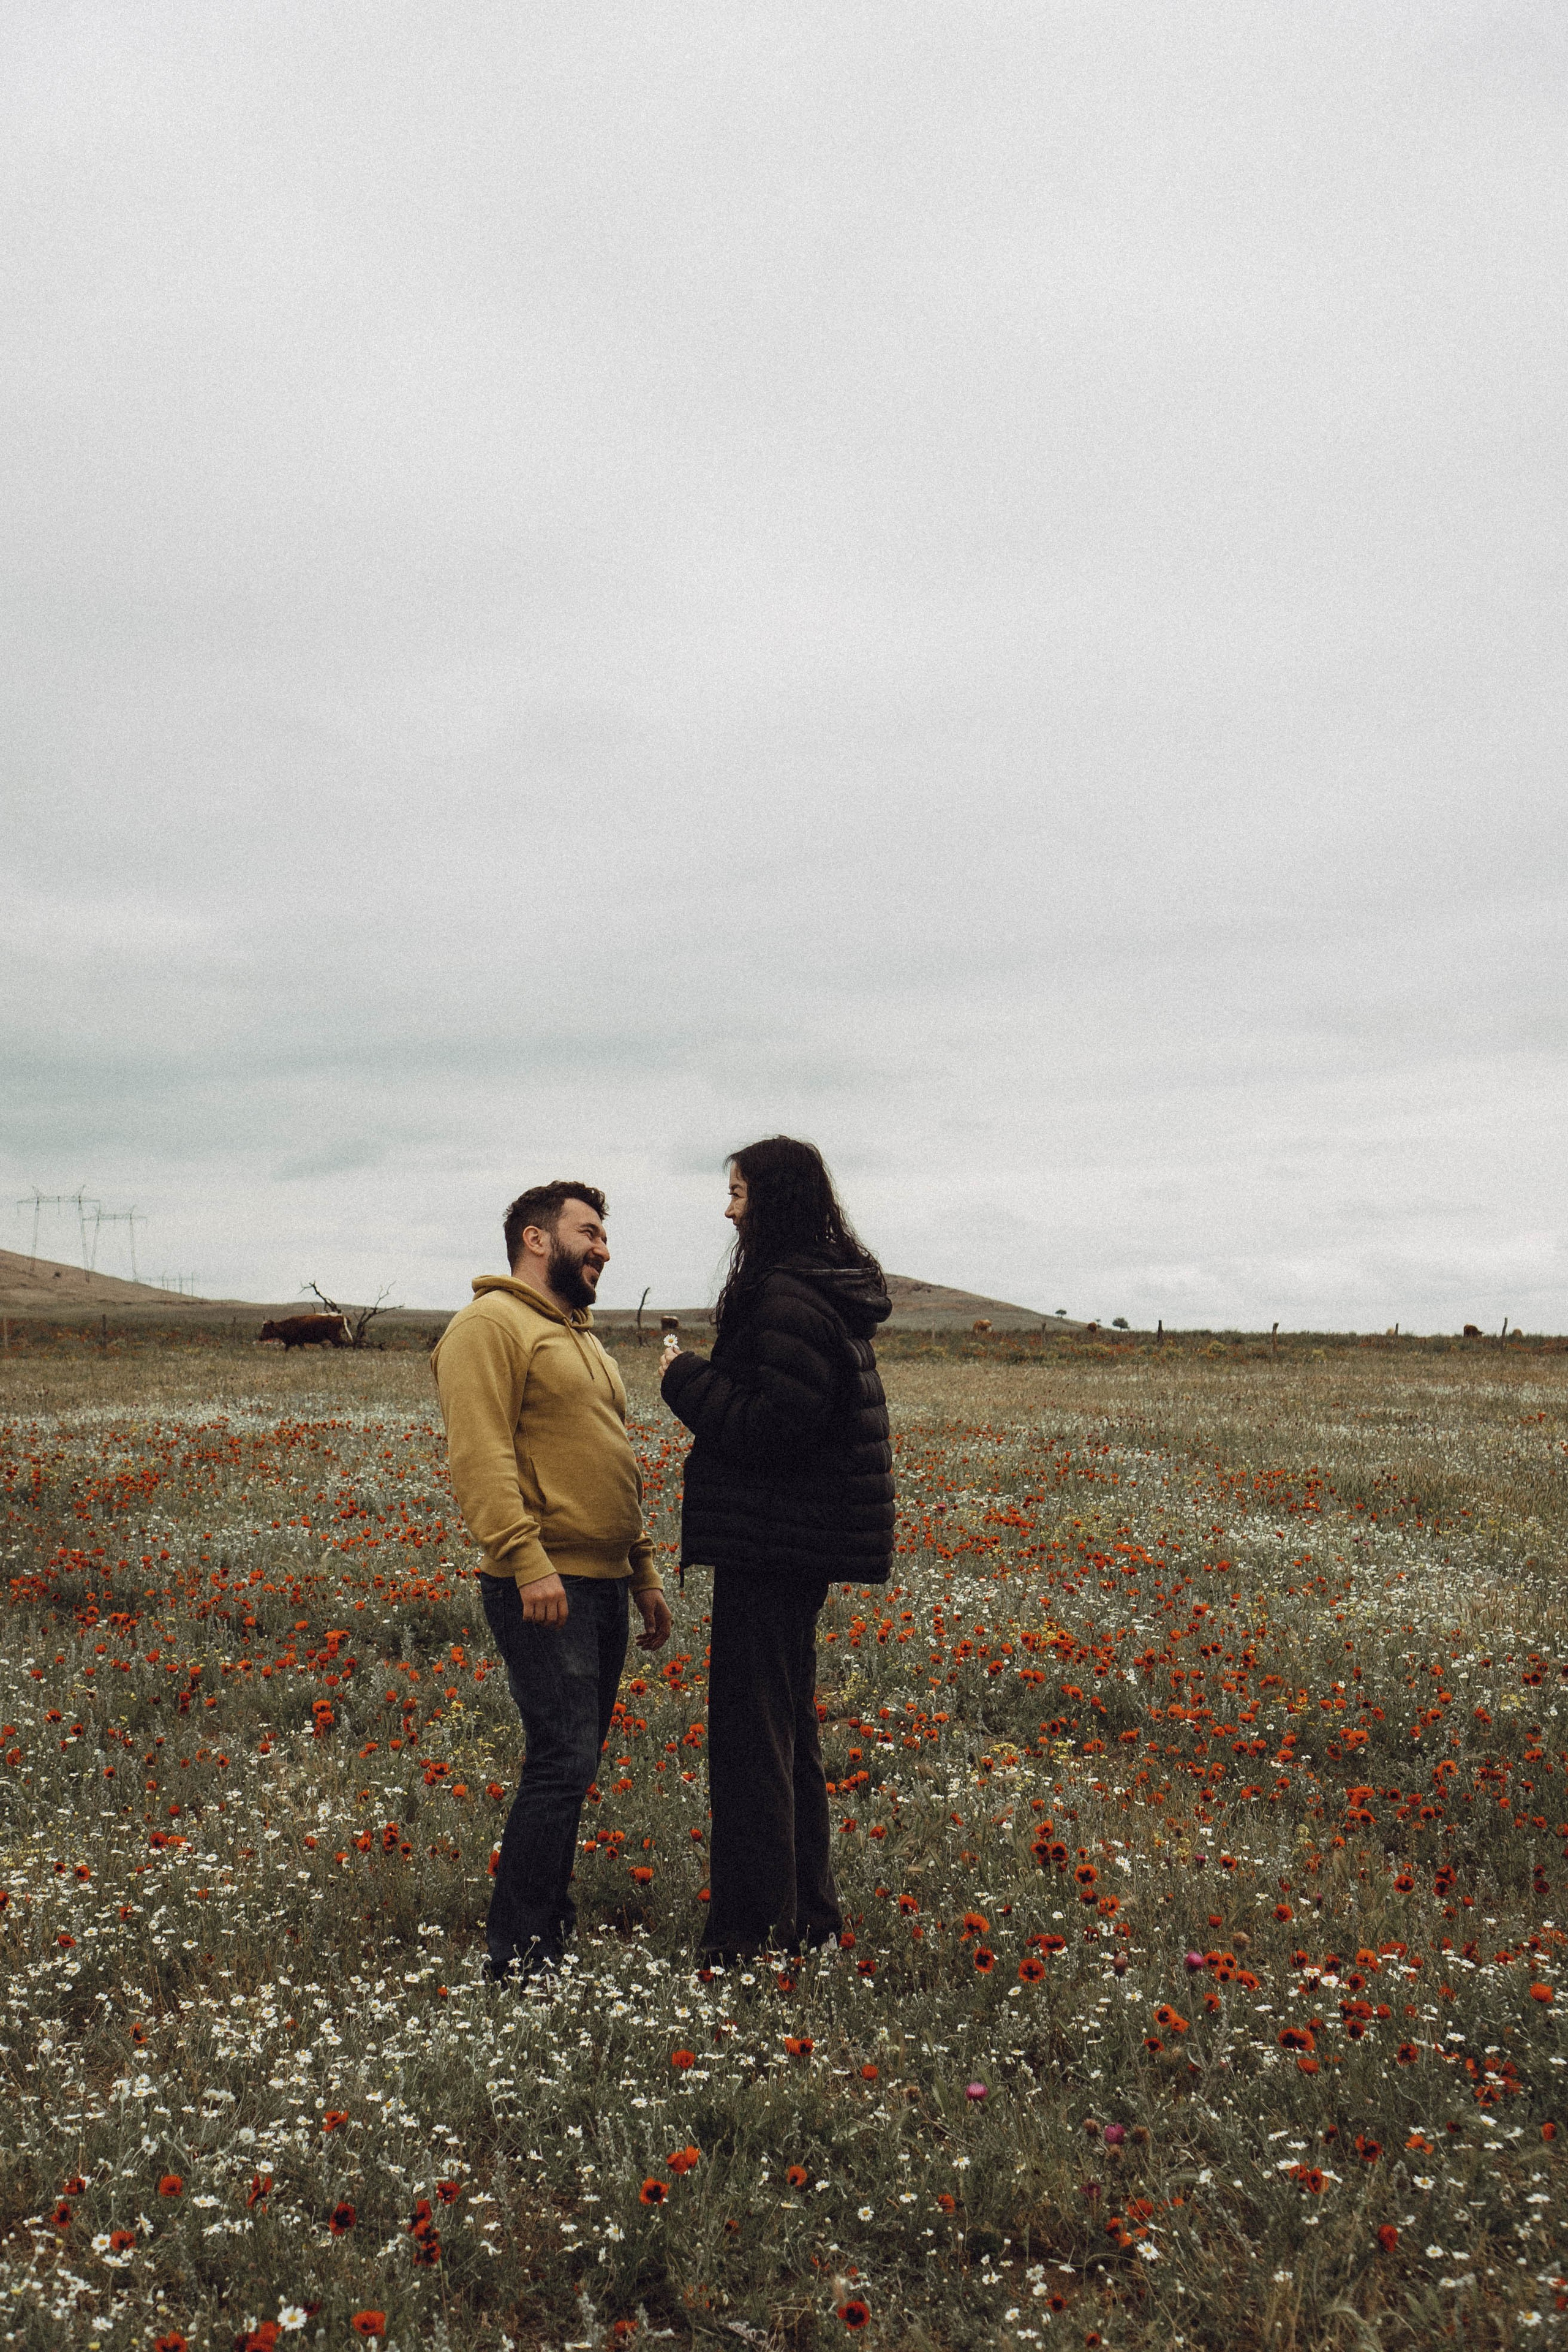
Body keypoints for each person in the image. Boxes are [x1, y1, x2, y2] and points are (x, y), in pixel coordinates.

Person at [658, 1136, 894, 1960]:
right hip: (792, 1543)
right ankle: (807, 1921)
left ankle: (751, 1933)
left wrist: (683, 1377)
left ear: (774, 1200)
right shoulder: (818, 1286)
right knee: (785, 1731)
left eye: (738, 1194)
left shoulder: (787, 1295)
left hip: (772, 1543)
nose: (729, 1210)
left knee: (753, 1743)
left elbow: (773, 1427)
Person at [432, 1180, 673, 1982]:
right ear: (538, 1240)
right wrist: (525, 1559)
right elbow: (482, 1455)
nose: (603, 1248)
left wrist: (641, 1570)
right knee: (561, 1760)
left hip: (600, 1582)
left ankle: (544, 1932)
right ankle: (522, 1954)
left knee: (575, 1762)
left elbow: (612, 1461)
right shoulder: (488, 1327)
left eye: (605, 1236)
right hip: (546, 1581)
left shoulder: (585, 1342)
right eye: (590, 1232)